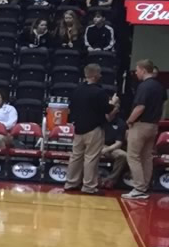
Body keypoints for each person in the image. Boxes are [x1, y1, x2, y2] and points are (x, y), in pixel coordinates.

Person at [65, 63, 113, 196]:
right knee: (91, 158)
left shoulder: (77, 89)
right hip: (94, 128)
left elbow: (71, 108)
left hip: (78, 128)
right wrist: (113, 104)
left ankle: (71, 182)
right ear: (96, 75)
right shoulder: (100, 91)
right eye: (100, 73)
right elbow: (106, 109)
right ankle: (89, 186)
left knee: (75, 156)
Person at [123, 60, 165, 200]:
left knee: (133, 156)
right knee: (147, 157)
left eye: (137, 70)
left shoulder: (144, 86)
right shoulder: (160, 86)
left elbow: (140, 107)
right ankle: (145, 186)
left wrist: (129, 121)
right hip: (153, 125)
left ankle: (138, 187)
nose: (136, 73)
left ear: (143, 70)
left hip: (140, 125)